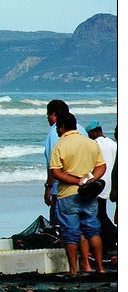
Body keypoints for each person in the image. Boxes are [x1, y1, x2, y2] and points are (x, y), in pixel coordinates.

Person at [49, 112, 106, 274]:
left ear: (62, 127)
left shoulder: (60, 146)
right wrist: (90, 180)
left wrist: (77, 181)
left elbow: (56, 172)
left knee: (70, 233)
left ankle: (73, 270)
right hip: (89, 194)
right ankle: (101, 268)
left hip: (67, 194)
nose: (57, 131)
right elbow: (101, 167)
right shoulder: (90, 143)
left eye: (58, 128)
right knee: (93, 230)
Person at [44, 100, 87, 223]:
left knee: (61, 226)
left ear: (53, 114)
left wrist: (49, 186)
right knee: (83, 228)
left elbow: (53, 164)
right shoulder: (82, 130)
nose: (48, 118)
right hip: (85, 185)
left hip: (63, 188)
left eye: (48, 115)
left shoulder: (55, 132)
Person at [86, 120, 118, 251]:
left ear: (93, 133)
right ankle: (107, 241)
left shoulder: (95, 144)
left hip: (98, 184)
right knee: (102, 213)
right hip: (111, 184)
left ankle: (113, 235)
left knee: (99, 215)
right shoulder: (113, 144)